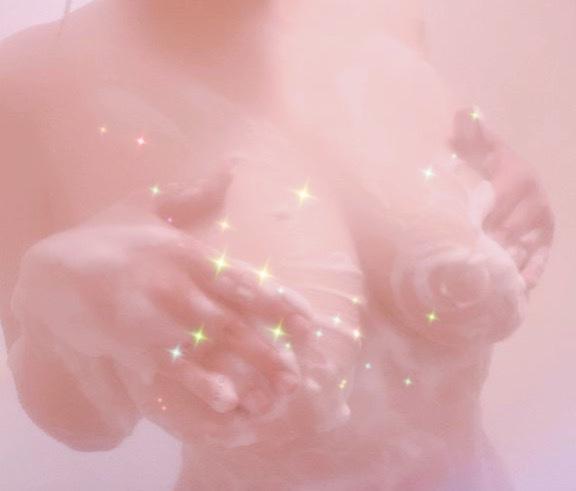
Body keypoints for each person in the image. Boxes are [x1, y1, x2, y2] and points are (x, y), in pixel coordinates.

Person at [0, 1, 554, 489]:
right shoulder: (27, 81)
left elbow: (450, 158)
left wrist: (502, 193)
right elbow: (83, 425)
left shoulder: (384, 11)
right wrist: (48, 301)